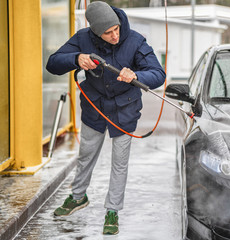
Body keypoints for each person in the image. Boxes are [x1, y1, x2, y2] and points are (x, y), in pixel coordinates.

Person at [46, 1, 165, 235]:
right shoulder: (82, 39)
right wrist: (76, 58)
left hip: (125, 110)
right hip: (95, 108)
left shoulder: (135, 40)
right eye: (107, 33)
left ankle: (112, 210)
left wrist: (136, 75)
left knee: (119, 163)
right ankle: (78, 197)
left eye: (116, 29)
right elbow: (52, 63)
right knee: (86, 155)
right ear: (94, 31)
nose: (114, 35)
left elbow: (158, 74)